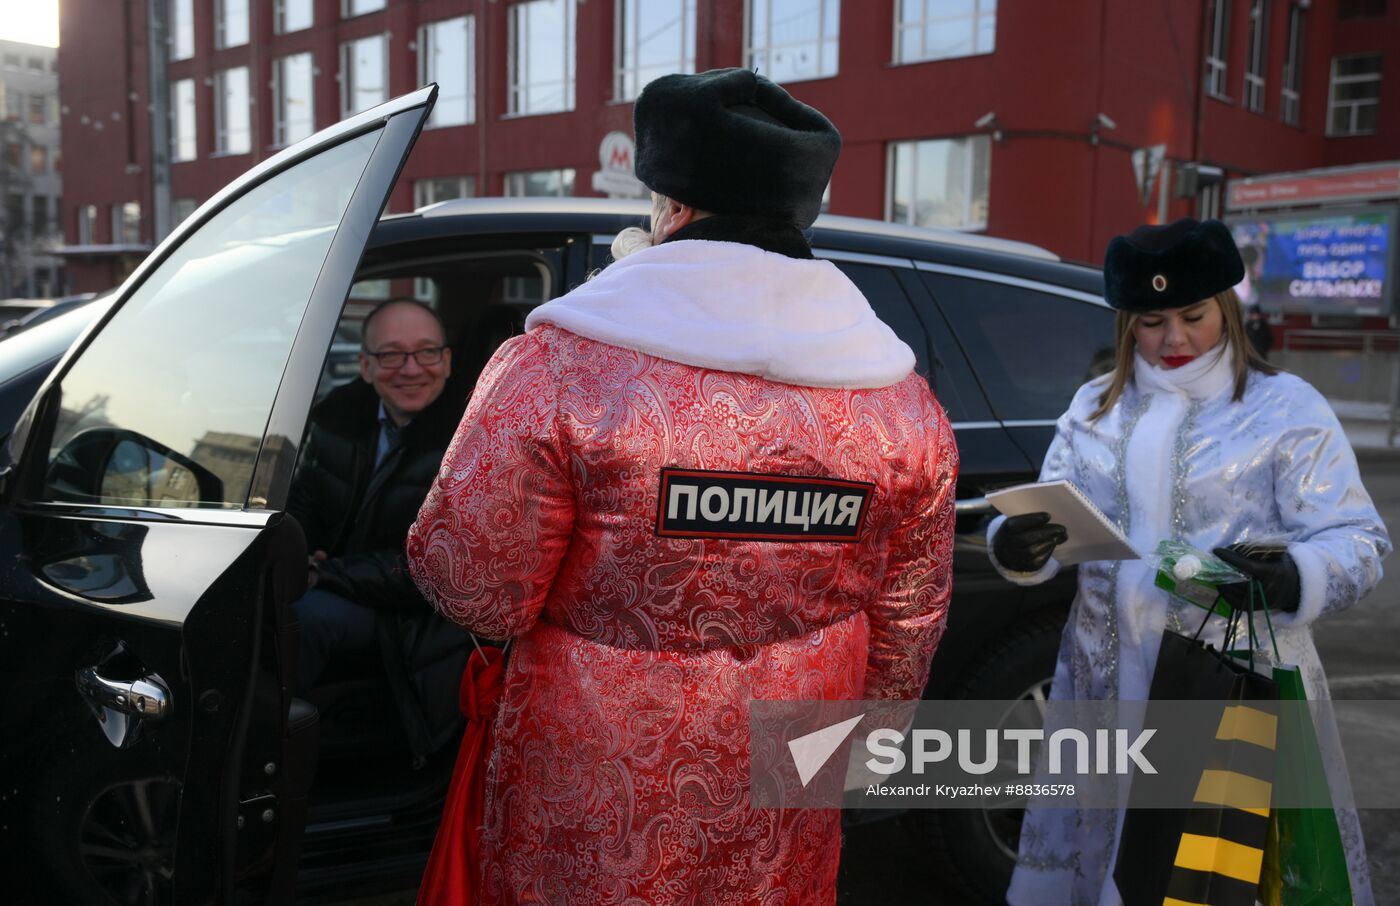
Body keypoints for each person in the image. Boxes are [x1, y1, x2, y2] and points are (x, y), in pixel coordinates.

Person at [407, 67, 959, 905]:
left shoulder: (558, 368)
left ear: (669, 207)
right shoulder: (901, 404)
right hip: (797, 752)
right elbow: (908, 628)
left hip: (600, 767)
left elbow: (476, 588)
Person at [990, 218, 1390, 905]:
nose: (1173, 339)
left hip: (1230, 687)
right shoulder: (1093, 409)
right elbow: (1047, 514)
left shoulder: (1285, 408)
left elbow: (1359, 539)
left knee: (1214, 872)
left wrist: (1295, 575)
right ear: (1126, 325)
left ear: (1226, 308)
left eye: (1193, 316)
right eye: (1150, 321)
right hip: (1101, 685)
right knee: (1099, 866)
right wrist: (1016, 544)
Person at [288, 297, 471, 764]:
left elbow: (443, 569)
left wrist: (326, 575)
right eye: (391, 355)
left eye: (427, 352)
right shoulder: (336, 419)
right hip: (346, 579)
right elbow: (303, 505)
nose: (411, 368)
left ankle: (260, 754)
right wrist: (298, 557)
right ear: (366, 367)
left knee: (305, 616)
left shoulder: (473, 437)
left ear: (447, 361)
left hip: (423, 618)